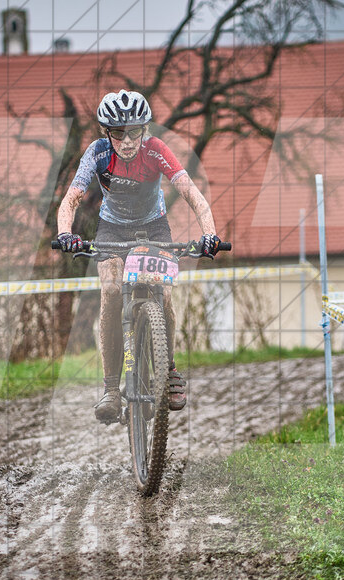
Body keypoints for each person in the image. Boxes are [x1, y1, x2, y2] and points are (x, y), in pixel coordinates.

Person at [56, 89, 222, 423]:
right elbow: (72, 198)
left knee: (163, 296)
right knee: (112, 292)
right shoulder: (98, 153)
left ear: (145, 130)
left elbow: (191, 193)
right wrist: (65, 234)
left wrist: (209, 234)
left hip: (154, 226)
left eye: (135, 131)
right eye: (119, 133)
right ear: (107, 132)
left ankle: (169, 368)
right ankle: (111, 389)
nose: (128, 140)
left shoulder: (156, 150)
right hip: (112, 229)